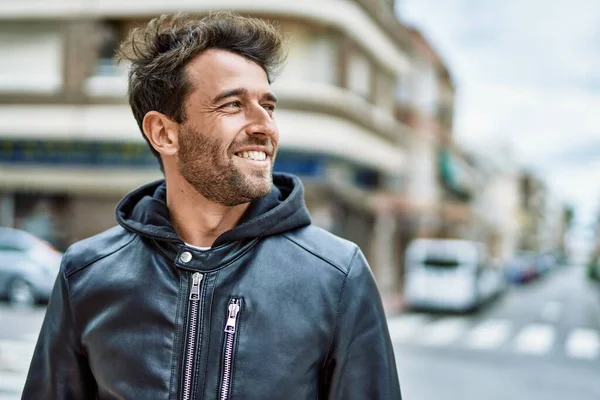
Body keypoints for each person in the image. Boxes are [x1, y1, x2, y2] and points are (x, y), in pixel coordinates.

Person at [23, 12, 401, 400]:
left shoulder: (336, 276)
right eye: (233, 105)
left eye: (267, 106)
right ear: (164, 133)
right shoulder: (87, 274)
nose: (264, 126)